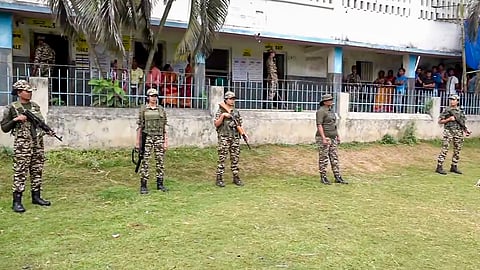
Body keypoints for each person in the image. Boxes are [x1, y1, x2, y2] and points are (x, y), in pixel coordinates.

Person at [1, 80, 52, 213]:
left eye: (30, 91)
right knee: (20, 171)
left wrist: (48, 130)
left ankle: (36, 196)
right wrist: (16, 120)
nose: (29, 93)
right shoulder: (12, 107)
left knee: (37, 169)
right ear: (19, 92)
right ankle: (17, 201)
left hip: (37, 143)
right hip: (23, 144)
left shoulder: (35, 106)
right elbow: (4, 128)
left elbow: (41, 123)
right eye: (27, 91)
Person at [135, 88, 168, 194]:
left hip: (158, 137)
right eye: (152, 96)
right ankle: (143, 185)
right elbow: (140, 126)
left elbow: (164, 127)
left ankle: (160, 184)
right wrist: (137, 142)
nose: (154, 98)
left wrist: (165, 141)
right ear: (148, 97)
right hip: (147, 137)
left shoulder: (161, 109)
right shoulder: (144, 109)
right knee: (145, 161)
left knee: (160, 161)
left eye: (155, 96)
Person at [214, 91, 245, 187]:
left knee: (235, 158)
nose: (232, 101)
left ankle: (236, 177)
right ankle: (219, 178)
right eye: (230, 99)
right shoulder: (221, 111)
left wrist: (243, 133)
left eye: (233, 99)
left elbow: (239, 124)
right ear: (226, 99)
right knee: (222, 158)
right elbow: (216, 124)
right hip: (224, 137)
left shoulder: (236, 111)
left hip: (235, 137)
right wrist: (223, 116)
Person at [315, 94, 348, 185]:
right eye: (329, 100)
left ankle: (337, 176)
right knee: (324, 157)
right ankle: (323, 176)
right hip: (325, 137)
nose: (331, 101)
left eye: (331, 99)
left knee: (334, 157)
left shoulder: (331, 111)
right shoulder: (321, 111)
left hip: (332, 137)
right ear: (325, 102)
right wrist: (323, 138)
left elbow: (334, 124)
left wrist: (337, 135)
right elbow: (319, 125)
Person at [435, 94, 471, 175]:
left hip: (458, 132)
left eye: (453, 99)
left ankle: (454, 166)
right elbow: (440, 121)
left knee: (457, 149)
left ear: (457, 101)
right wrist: (448, 119)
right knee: (445, 148)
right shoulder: (447, 110)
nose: (451, 101)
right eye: (450, 99)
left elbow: (462, 122)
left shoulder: (460, 111)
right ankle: (439, 166)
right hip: (449, 132)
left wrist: (466, 130)